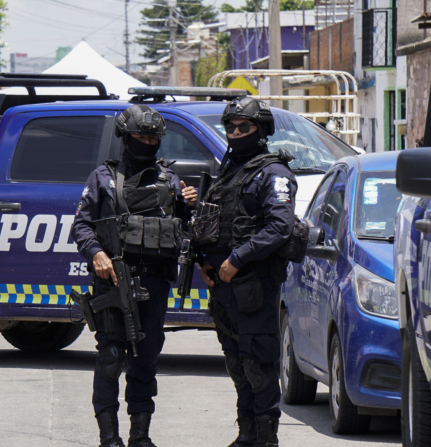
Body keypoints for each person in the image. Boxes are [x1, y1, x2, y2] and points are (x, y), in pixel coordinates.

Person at [72, 105, 197, 447]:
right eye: (140, 137)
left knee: (145, 358)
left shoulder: (169, 179)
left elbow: (185, 228)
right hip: (113, 278)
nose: (147, 142)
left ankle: (140, 435)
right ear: (125, 138)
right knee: (112, 357)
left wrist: (188, 204)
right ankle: (109, 438)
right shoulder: (102, 177)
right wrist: (96, 253)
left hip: (154, 281)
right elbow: (81, 225)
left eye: (152, 138)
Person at [195, 97, 297, 447]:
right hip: (224, 288)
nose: (235, 133)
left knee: (259, 367)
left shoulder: (274, 173)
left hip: (255, 286)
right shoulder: (228, 171)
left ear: (260, 131)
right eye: (231, 127)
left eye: (244, 127)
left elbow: (279, 227)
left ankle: (266, 440)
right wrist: (207, 260)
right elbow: (216, 223)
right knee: (238, 365)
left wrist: (237, 259)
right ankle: (246, 435)